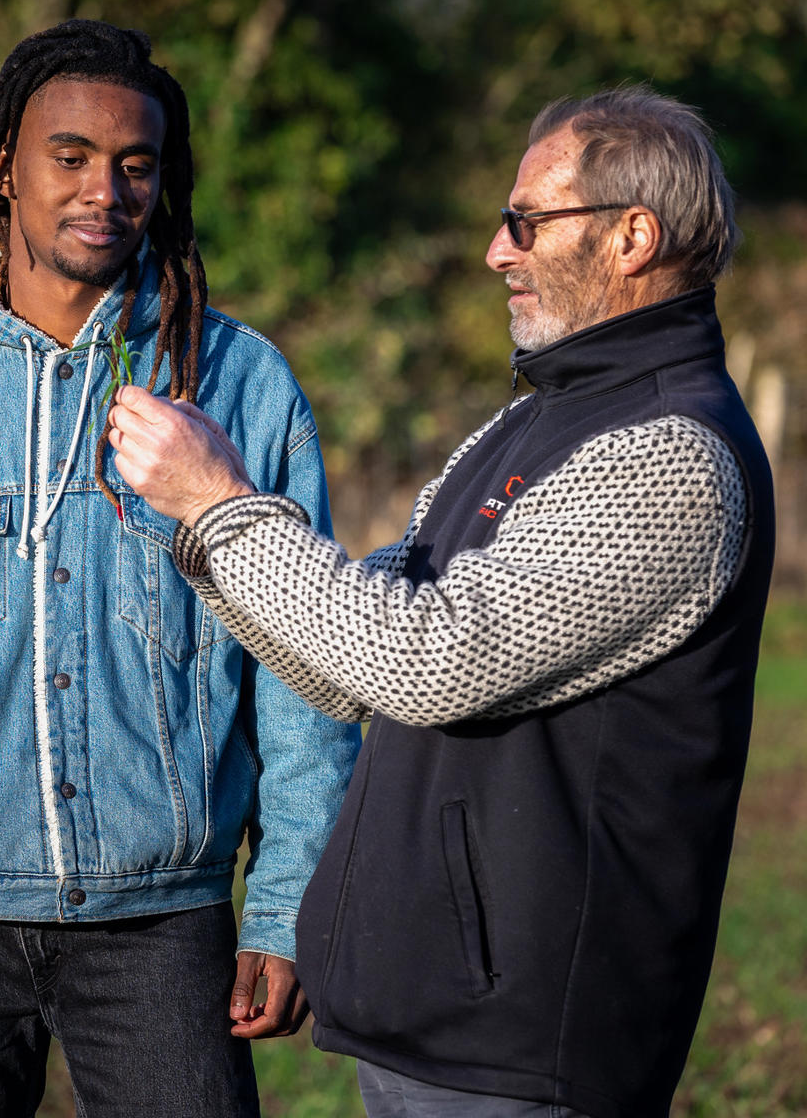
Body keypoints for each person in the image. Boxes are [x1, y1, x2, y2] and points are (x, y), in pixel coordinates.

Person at [108, 84, 776, 1118]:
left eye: (525, 220)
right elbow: (346, 662)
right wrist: (206, 536)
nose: (494, 253)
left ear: (633, 236)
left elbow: (425, 660)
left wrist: (224, 502)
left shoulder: (668, 455)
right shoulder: (528, 424)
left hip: (528, 1043)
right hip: (442, 1021)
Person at [0, 18, 359, 1117]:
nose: (104, 188)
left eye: (135, 163)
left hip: (165, 926)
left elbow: (303, 665)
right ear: (5, 164)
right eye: (71, 156)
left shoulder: (237, 385)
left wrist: (287, 902)